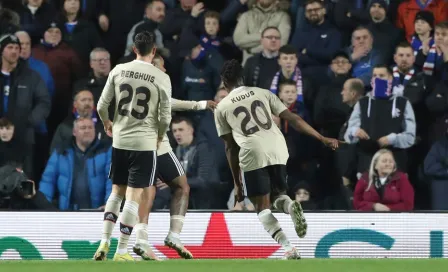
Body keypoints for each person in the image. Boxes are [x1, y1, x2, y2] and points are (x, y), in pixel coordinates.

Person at [214, 59, 340, 259]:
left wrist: (237, 183)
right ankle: (290, 206)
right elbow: (294, 119)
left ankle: (289, 248)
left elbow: (230, 147)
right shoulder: (263, 93)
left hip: (252, 152)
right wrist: (322, 138)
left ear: (224, 81)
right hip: (278, 147)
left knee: (261, 207)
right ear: (243, 77)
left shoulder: (222, 108)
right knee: (278, 196)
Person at [93, 31, 172, 261]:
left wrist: (108, 122)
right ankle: (121, 251)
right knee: (134, 195)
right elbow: (165, 116)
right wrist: (159, 135)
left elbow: (101, 105)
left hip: (120, 140)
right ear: (153, 51)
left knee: (116, 191)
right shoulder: (160, 77)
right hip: (144, 142)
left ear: (134, 49)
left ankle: (104, 242)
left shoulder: (118, 70)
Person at [132, 52, 216, 261]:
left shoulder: (138, 86)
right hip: (151, 144)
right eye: (161, 66)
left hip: (143, 145)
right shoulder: (153, 84)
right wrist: (201, 105)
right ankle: (155, 238)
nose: (164, 70)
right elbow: (171, 103)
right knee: (152, 189)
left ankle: (160, 237)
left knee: (179, 186)